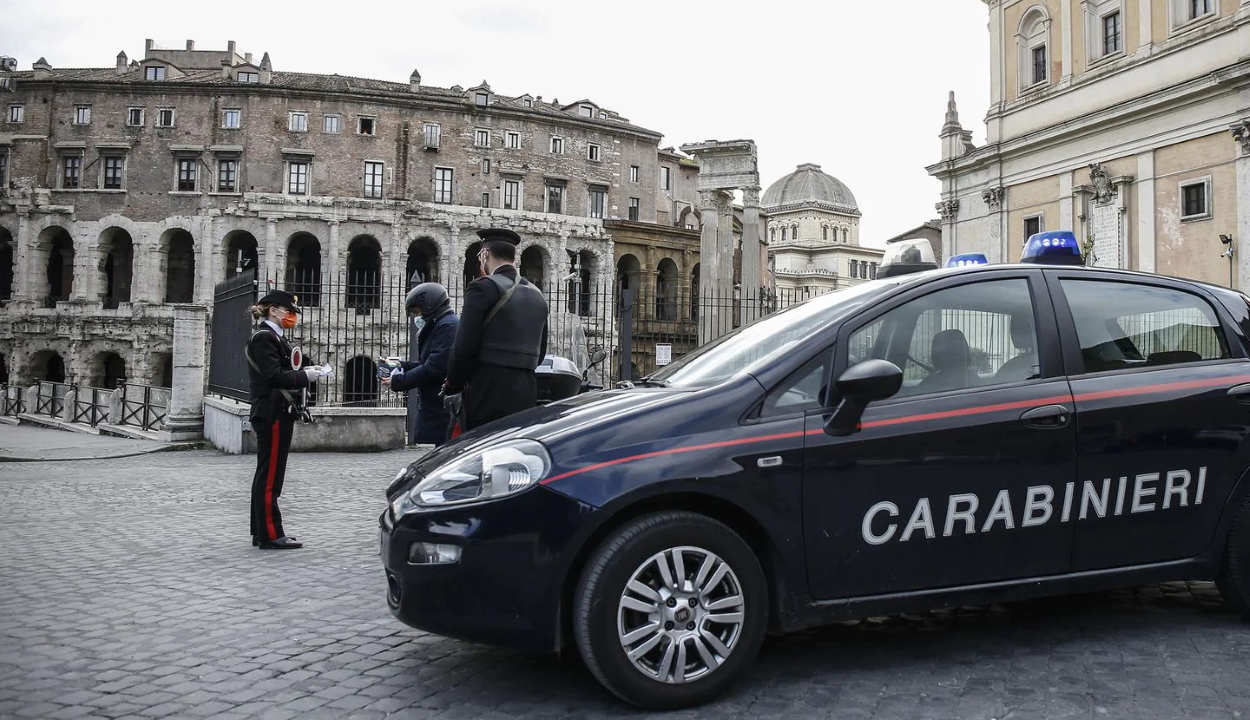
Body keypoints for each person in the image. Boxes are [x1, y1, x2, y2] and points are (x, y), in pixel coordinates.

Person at [245, 290, 330, 550]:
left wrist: (304, 371)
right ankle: (271, 534)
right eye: (289, 311)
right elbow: (274, 377)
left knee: (268, 473)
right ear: (274, 310)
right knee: (270, 475)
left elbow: (280, 372)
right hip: (273, 412)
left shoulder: (273, 337)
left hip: (275, 410)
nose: (292, 316)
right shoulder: (265, 339)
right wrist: (306, 376)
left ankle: (261, 531)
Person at [444, 228, 549, 433]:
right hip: (525, 393)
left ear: (485, 254)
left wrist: (452, 385)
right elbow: (540, 353)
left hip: (486, 390)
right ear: (513, 257)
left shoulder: (481, 288)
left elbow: (464, 347)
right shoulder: (538, 296)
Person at [382, 282, 459, 446]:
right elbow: (427, 363)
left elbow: (434, 368)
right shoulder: (442, 324)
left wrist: (398, 381)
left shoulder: (448, 327)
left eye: (418, 311)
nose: (418, 316)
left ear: (429, 305)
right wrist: (399, 366)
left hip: (443, 408)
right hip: (439, 406)